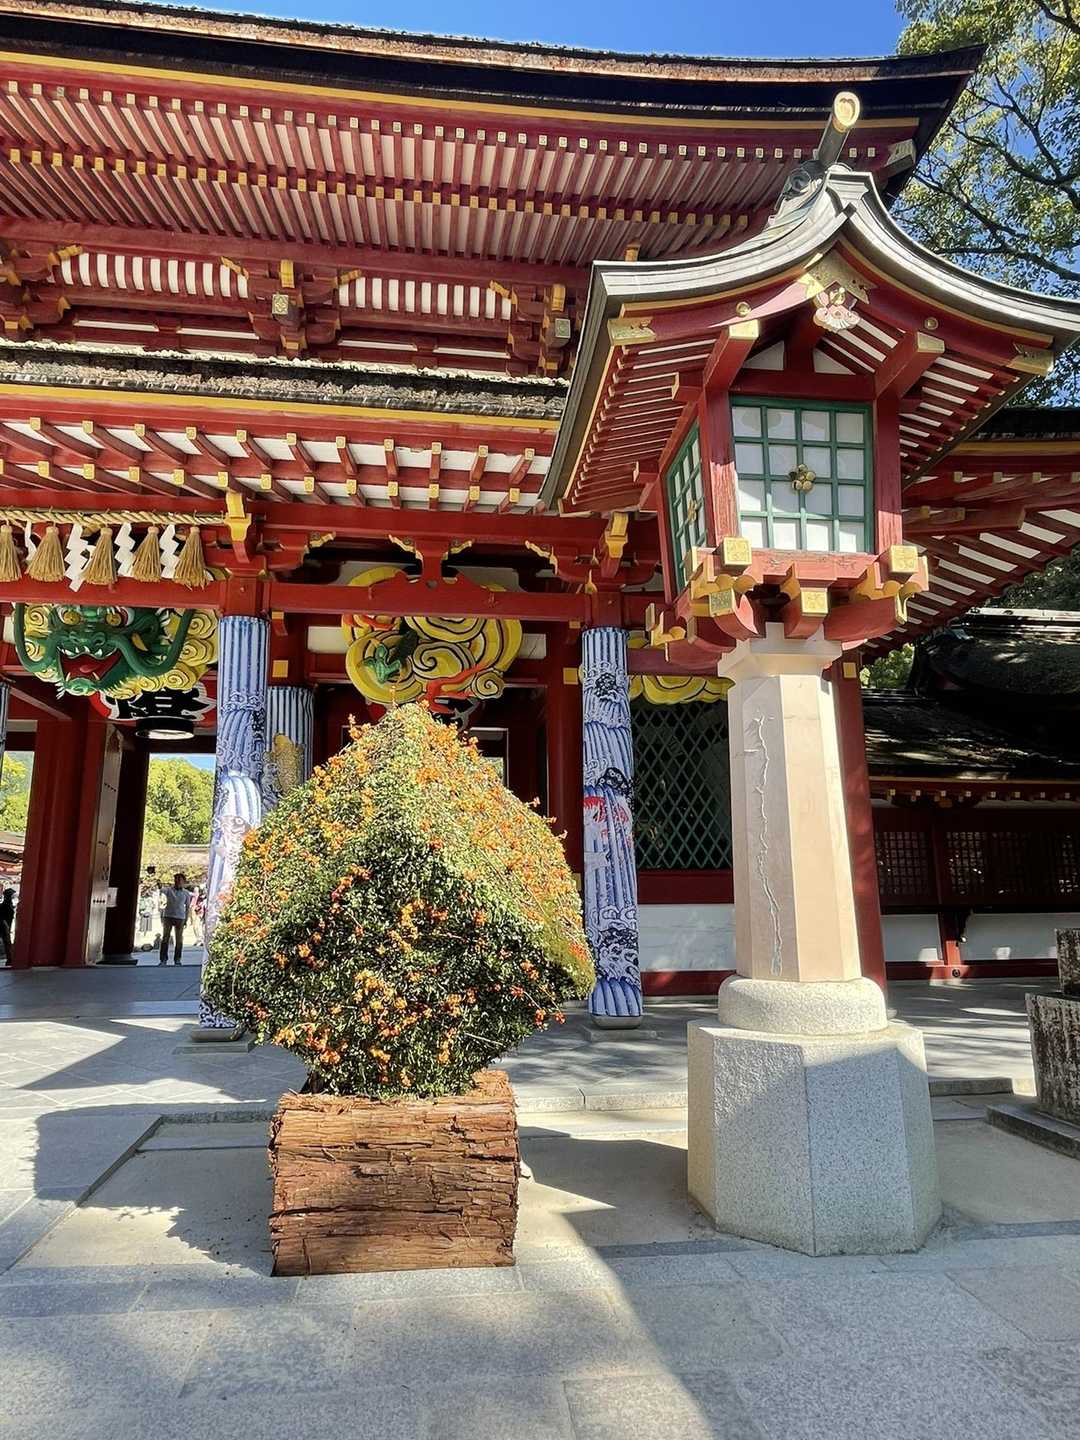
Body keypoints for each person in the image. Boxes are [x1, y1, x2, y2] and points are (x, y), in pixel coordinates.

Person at [159, 872, 192, 965]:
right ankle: (163, 959)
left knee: (179, 939)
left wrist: (186, 919)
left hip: (180, 917)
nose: (177, 881)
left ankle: (177, 959)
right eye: (176, 879)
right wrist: (159, 884)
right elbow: (162, 890)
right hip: (168, 916)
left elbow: (187, 907)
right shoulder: (169, 890)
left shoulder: (186, 893)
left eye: (179, 880)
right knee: (165, 938)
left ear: (183, 881)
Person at [0, 887, 14, 965]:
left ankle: (9, 959)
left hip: (7, 925)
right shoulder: (5, 905)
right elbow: (2, 918)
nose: (12, 896)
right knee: (7, 943)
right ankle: (9, 959)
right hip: (4, 926)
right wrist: (6, 927)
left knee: (7, 943)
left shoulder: (9, 904)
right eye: (11, 894)